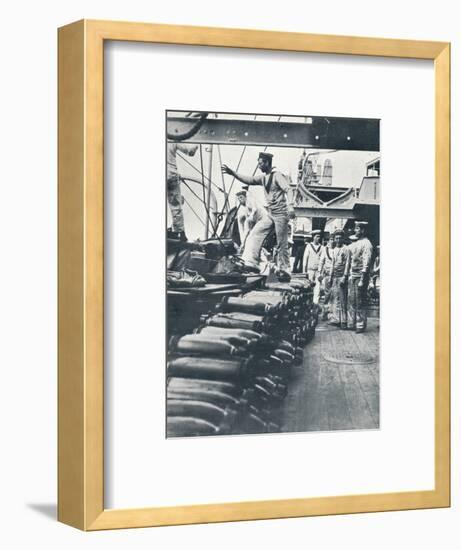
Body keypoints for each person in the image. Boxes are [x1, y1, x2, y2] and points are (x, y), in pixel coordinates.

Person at [221, 152, 295, 281]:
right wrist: (233, 173)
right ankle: (251, 262)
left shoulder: (277, 176)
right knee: (255, 233)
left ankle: (285, 270)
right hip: (271, 214)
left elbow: (289, 190)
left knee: (281, 243)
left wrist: (290, 205)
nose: (259, 165)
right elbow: (249, 179)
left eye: (261, 163)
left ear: (267, 163)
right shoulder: (263, 178)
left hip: (280, 215)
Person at [167, 141, 198, 240]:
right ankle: (179, 232)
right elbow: (191, 151)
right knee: (175, 205)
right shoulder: (171, 139)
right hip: (170, 174)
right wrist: (197, 142)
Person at [346, 221, 373, 333]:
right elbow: (351, 260)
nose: (355, 230)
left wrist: (362, 278)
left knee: (360, 301)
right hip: (353, 275)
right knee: (352, 300)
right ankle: (352, 323)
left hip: (361, 276)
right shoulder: (357, 243)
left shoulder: (367, 244)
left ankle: (360, 325)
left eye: (357, 229)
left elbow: (366, 262)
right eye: (355, 228)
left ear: (363, 230)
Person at [328, 230, 350, 328]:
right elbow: (332, 264)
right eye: (336, 238)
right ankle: (336, 319)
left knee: (343, 299)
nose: (338, 240)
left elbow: (347, 264)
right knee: (335, 298)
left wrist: (344, 277)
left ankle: (344, 321)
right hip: (335, 276)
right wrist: (330, 276)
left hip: (342, 276)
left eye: (340, 238)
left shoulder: (346, 249)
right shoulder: (334, 249)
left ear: (343, 238)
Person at [317, 233, 336, 320]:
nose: (332, 241)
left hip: (336, 275)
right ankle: (325, 312)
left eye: (333, 239)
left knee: (335, 295)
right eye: (331, 239)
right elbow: (321, 261)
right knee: (327, 294)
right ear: (328, 241)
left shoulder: (337, 249)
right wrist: (319, 272)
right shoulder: (325, 250)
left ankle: (333, 314)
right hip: (328, 274)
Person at [302, 229, 323, 303]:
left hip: (318, 271)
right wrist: (304, 272)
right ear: (313, 237)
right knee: (309, 287)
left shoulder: (322, 247)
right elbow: (305, 259)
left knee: (317, 288)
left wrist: (321, 272)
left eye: (319, 236)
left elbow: (322, 260)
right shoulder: (309, 246)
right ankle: (308, 303)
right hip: (309, 270)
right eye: (317, 236)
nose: (318, 238)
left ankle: (315, 304)